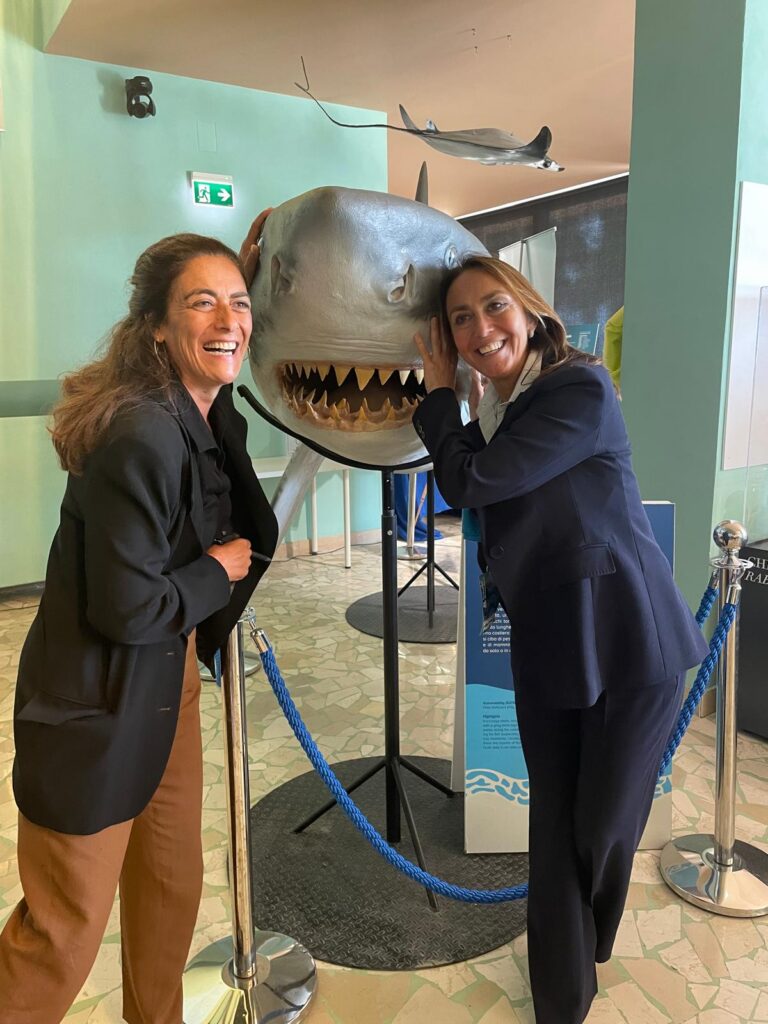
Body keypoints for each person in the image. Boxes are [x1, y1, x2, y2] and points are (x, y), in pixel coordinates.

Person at [411, 256, 707, 1024]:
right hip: (547, 644)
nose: (480, 329)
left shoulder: (579, 389)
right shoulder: (500, 415)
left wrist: (441, 398)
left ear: (531, 310)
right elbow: (479, 482)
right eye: (461, 319)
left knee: (600, 833)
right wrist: (464, 410)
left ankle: (584, 943)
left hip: (627, 646)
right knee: (553, 832)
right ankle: (561, 999)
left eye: (493, 306)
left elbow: (470, 483)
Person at [0, 219, 275, 1024]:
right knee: (62, 931)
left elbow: (224, 416)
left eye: (239, 303)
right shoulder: (140, 431)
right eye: (200, 303)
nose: (229, 319)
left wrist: (232, 296)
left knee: (169, 884)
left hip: (166, 681)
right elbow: (128, 607)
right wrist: (217, 571)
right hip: (95, 709)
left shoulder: (193, 409)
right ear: (155, 325)